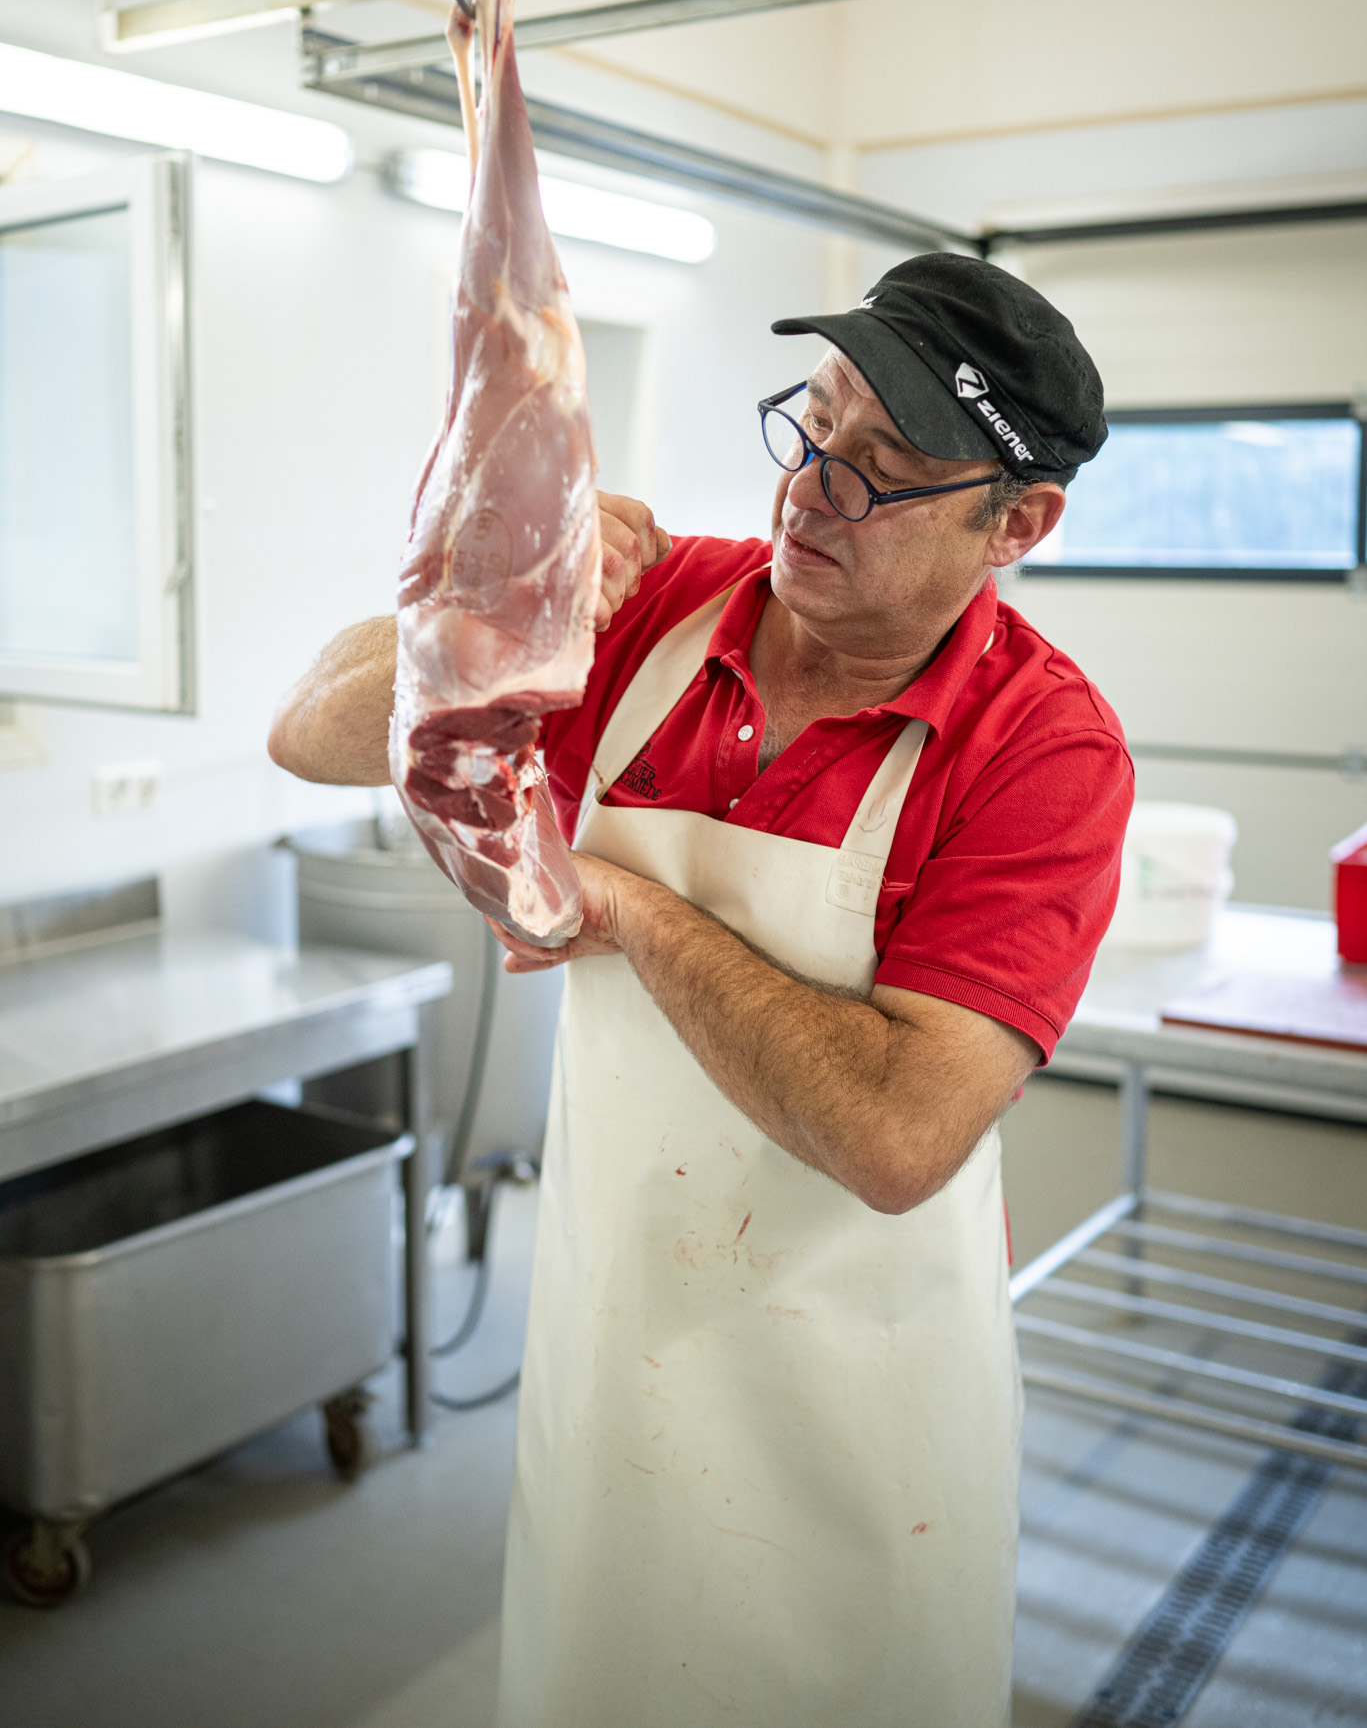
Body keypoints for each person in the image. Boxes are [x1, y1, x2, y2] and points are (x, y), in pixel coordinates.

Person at [269, 253, 1133, 1728]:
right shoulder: (663, 607)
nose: (811, 488)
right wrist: (497, 593)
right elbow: (310, 732)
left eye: (885, 470)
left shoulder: (1040, 750)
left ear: (1019, 522)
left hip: (861, 1423)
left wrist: (631, 909)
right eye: (811, 422)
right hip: (616, 1344)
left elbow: (896, 1134)